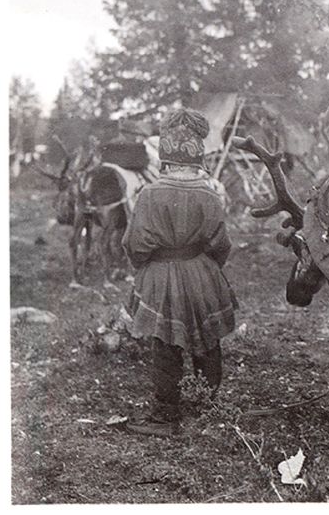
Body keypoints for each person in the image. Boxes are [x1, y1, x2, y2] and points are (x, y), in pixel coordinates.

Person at [121, 108, 238, 437]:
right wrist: (207, 268)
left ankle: (166, 416)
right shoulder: (209, 194)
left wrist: (147, 265)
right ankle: (207, 409)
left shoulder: (149, 194)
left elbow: (135, 245)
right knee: (207, 340)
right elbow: (221, 243)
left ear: (165, 160)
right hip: (202, 272)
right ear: (197, 161)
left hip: (160, 274)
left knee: (165, 345)